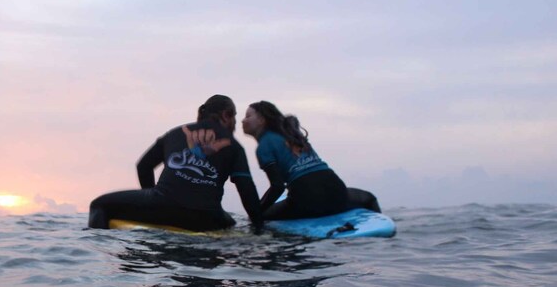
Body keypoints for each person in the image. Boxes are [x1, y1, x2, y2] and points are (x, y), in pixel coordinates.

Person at [89, 95, 263, 232]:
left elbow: (143, 166)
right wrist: (259, 228)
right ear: (226, 115)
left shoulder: (174, 133)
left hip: (163, 209)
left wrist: (152, 198)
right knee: (230, 221)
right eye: (234, 118)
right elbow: (246, 190)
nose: (234, 124)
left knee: (98, 204)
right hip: (207, 219)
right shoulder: (234, 146)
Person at [241, 101, 380, 220]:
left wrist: (256, 212)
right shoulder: (293, 135)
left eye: (248, 116)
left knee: (262, 216)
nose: (243, 120)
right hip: (337, 191)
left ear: (261, 120)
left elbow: (277, 186)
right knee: (369, 198)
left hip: (307, 198)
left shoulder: (264, 146)